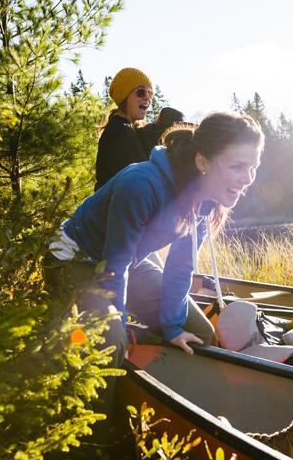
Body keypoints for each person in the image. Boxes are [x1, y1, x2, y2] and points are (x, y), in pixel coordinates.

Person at [46, 112, 264, 370]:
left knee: (200, 335)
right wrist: (118, 325)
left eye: (253, 167)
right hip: (74, 260)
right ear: (203, 162)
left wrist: (172, 327)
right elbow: (115, 266)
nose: (247, 178)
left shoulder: (207, 198)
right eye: (237, 166)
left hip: (129, 261)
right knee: (112, 342)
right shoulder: (141, 185)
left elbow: (181, 266)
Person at [94, 67, 154, 191]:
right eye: (141, 92)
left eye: (150, 94)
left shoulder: (130, 130)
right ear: (125, 97)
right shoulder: (120, 133)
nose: (147, 98)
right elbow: (130, 187)